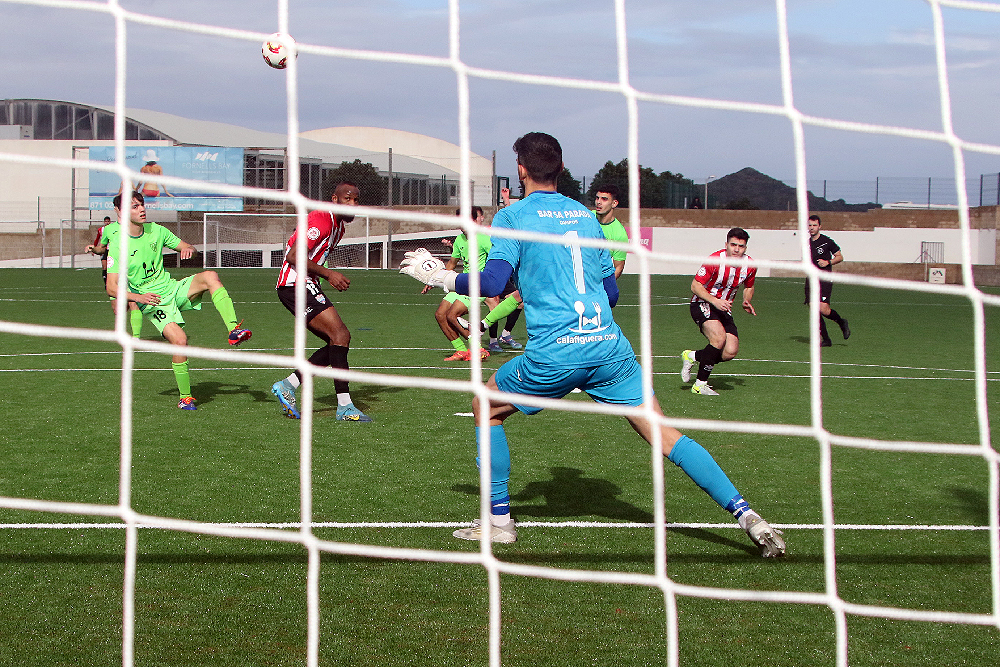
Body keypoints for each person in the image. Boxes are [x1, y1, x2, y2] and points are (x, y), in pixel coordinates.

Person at [400, 132, 784, 557]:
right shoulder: (585, 216)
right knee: (666, 435)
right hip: (609, 348)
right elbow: (611, 293)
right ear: (561, 170)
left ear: (521, 170)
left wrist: (439, 276)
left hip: (556, 354)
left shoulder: (512, 217)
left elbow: (491, 282)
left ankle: (499, 523)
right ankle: (749, 516)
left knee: (484, 406)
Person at [105, 191, 252, 410]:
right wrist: (139, 297)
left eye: (142, 205)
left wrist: (188, 251)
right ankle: (185, 398)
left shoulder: (157, 230)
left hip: (172, 288)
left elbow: (188, 247)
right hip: (152, 302)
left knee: (210, 276)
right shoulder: (118, 244)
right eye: (135, 207)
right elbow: (111, 287)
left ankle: (233, 330)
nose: (142, 209)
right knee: (180, 341)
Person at [270, 182, 372, 422]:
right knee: (341, 336)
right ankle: (344, 406)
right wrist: (329, 274)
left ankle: (288, 385)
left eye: (356, 200)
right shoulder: (321, 219)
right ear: (334, 199)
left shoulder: (338, 227)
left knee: (337, 343)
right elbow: (294, 256)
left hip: (304, 284)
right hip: (294, 284)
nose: (353, 204)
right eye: (348, 199)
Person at [680, 228, 757, 396]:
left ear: (746, 248)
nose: (736, 249)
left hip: (723, 308)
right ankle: (700, 384)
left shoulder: (749, 265)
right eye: (733, 245)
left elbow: (749, 286)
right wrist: (715, 300)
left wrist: (746, 300)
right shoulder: (714, 260)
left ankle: (692, 355)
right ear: (726, 245)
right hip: (703, 303)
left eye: (741, 246)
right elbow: (695, 286)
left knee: (730, 351)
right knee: (718, 338)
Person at [86, 215, 144, 338]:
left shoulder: (135, 227)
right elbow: (101, 249)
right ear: (116, 209)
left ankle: (136, 337)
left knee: (134, 302)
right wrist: (93, 249)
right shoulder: (108, 230)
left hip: (131, 270)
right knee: (117, 309)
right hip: (115, 271)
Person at [805, 214, 850, 347]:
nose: (812, 228)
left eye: (814, 225)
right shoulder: (806, 243)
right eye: (810, 225)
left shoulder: (827, 241)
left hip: (824, 278)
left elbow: (840, 256)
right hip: (811, 278)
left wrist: (828, 262)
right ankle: (826, 339)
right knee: (814, 308)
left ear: (820, 226)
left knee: (824, 309)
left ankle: (841, 322)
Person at [592, 183, 628, 280]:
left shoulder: (620, 234)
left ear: (614, 203)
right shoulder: (586, 218)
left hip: (597, 281)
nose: (598, 202)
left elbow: (618, 267)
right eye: (597, 198)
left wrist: (605, 285)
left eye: (604, 199)